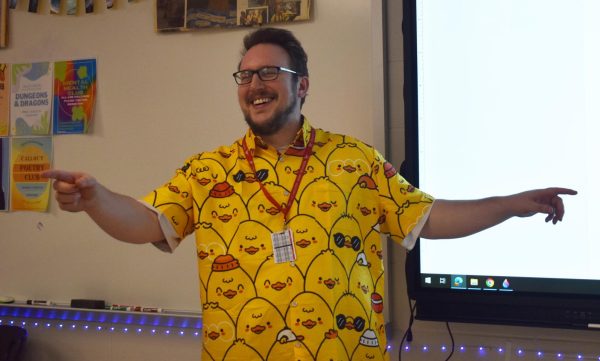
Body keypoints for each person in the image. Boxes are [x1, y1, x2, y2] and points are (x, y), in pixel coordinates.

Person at [42, 27, 576, 361]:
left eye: (270, 72)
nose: (255, 84)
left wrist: (510, 204)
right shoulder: (207, 171)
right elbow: (145, 221)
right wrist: (95, 199)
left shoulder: (356, 161)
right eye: (245, 75)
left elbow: (428, 219)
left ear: (302, 86)